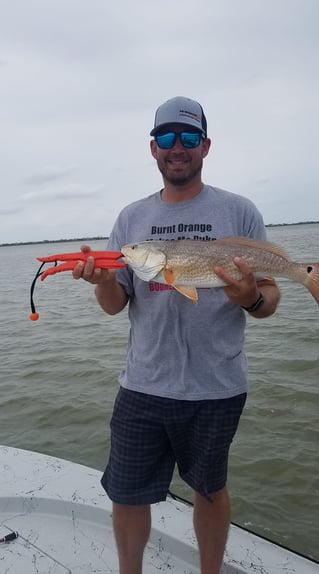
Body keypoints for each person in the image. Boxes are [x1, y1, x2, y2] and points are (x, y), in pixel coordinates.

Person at [73, 96, 281, 574]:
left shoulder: (240, 211)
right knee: (126, 494)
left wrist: (250, 297)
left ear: (205, 145)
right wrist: (105, 281)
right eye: (167, 138)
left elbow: (268, 302)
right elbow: (114, 305)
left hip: (216, 387)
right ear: (153, 149)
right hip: (142, 385)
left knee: (210, 490)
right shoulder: (130, 220)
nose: (177, 147)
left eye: (189, 138)